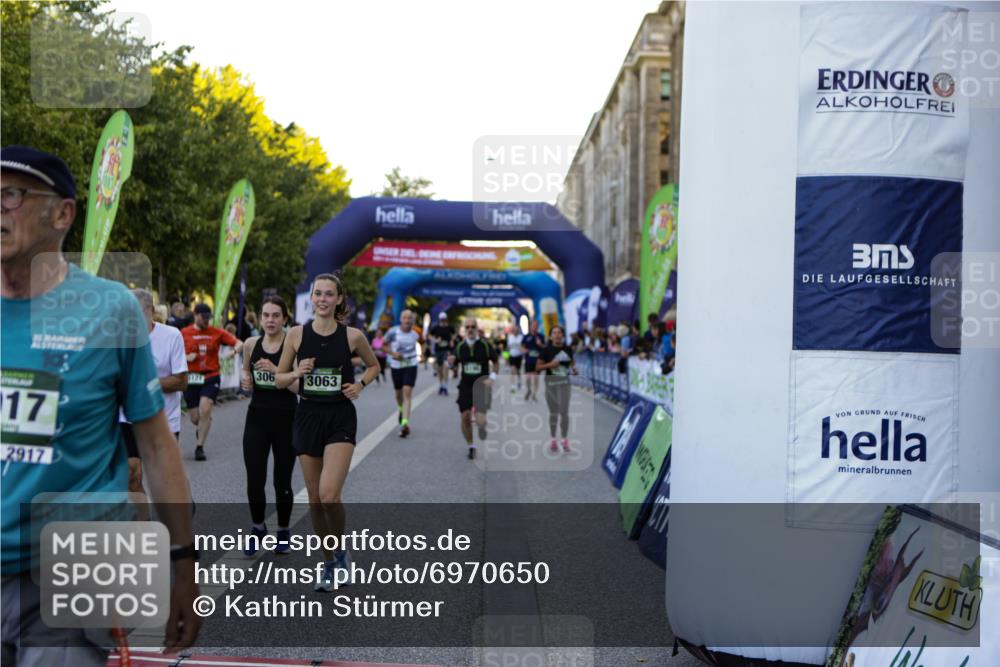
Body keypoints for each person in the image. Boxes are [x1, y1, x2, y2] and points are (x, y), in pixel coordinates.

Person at [1, 145, 199, 664]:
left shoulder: (109, 310)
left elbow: (156, 446)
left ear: (63, 214)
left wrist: (183, 564)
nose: (0, 208)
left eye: (13, 195)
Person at [274, 273, 378, 591]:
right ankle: (330, 562)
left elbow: (374, 366)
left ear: (338, 299)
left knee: (330, 495)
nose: (322, 299)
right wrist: (296, 372)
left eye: (328, 294)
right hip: (307, 416)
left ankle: (341, 552)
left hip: (339, 417)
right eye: (317, 294)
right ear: (312, 299)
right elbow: (279, 379)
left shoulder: (352, 336)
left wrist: (359, 384)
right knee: (316, 500)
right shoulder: (295, 335)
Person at [119, 289, 189, 517]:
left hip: (163, 419)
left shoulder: (171, 336)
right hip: (126, 418)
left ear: (150, 312)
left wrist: (144, 382)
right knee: (131, 475)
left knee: (167, 483)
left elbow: (180, 381)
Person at [239, 297, 299, 556]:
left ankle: (283, 530)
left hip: (287, 419)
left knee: (281, 481)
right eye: (266, 315)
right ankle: (257, 527)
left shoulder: (293, 345)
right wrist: (246, 381)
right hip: (257, 418)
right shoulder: (251, 344)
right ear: (260, 318)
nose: (271, 320)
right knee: (255, 479)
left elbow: (300, 388)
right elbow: (246, 373)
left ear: (285, 318)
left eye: (276, 315)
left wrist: (277, 371)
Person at [181, 303, 243, 460]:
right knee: (195, 417)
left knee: (206, 409)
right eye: (203, 318)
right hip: (192, 377)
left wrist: (233, 351)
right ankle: (202, 424)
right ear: (195, 316)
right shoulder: (184, 333)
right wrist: (186, 357)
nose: (206, 321)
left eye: (208, 318)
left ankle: (199, 447)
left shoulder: (216, 332)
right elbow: (174, 352)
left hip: (211, 376)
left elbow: (240, 343)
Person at [449, 316, 498, 460]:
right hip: (465, 386)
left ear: (477, 329)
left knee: (480, 420)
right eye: (467, 327)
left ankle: (482, 427)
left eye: (473, 327)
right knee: (464, 416)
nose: (470, 329)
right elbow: (454, 365)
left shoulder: (485, 345)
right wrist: (450, 364)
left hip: (481, 386)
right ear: (464, 329)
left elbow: (495, 362)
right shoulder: (460, 347)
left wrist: (492, 378)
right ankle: (471, 446)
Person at [536, 324, 577, 452]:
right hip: (551, 386)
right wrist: (550, 365)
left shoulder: (567, 349)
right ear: (551, 336)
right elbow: (537, 368)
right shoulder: (546, 350)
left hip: (564, 384)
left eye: (559, 332)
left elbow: (571, 362)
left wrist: (574, 368)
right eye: (554, 333)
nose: (557, 335)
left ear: (563, 335)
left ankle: (564, 439)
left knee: (564, 412)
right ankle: (553, 439)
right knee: (554, 413)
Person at [383, 309, 421, 437]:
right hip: (396, 365)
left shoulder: (416, 333)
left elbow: (424, 342)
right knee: (398, 394)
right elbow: (383, 345)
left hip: (411, 364)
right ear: (400, 319)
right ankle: (401, 409)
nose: (407, 320)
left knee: (407, 392)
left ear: (412, 320)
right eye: (405, 318)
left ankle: (405, 423)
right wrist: (394, 354)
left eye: (409, 318)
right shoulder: (392, 332)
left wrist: (423, 355)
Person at [428, 312, 455, 396]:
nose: (443, 321)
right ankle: (441, 385)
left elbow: (454, 333)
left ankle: (446, 386)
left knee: (446, 366)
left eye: (444, 319)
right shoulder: (436, 328)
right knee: (440, 369)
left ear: (446, 319)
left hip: (446, 350)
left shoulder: (449, 327)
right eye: (442, 319)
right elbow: (429, 335)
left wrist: (452, 340)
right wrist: (435, 340)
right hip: (438, 350)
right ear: (440, 320)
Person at [521, 319, 545, 402]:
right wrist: (524, 350)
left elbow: (545, 348)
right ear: (530, 326)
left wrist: (540, 344)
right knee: (528, 377)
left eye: (536, 326)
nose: (534, 327)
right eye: (533, 326)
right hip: (529, 360)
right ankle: (529, 390)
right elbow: (522, 347)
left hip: (538, 361)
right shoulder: (526, 336)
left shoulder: (541, 336)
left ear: (537, 327)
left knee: (536, 378)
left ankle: (534, 394)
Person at [506, 325, 524, 393]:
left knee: (518, 370)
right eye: (514, 330)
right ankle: (513, 385)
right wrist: (506, 358)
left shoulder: (521, 337)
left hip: (519, 356)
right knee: (513, 370)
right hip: (512, 356)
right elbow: (508, 348)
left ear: (518, 331)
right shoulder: (510, 337)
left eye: (516, 330)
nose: (515, 331)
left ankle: (519, 381)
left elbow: (523, 347)